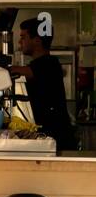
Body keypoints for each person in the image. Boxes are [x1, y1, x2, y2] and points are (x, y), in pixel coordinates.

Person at [10, 17, 75, 151]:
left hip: (58, 139)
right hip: (48, 137)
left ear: (37, 40)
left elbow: (21, 71)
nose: (19, 41)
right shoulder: (39, 64)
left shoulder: (50, 64)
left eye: (23, 37)